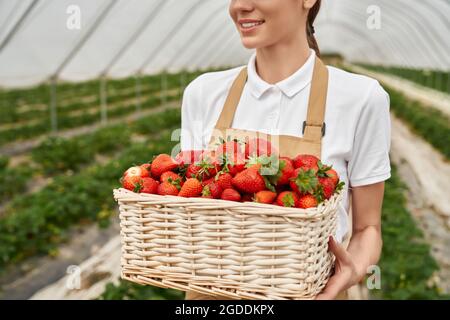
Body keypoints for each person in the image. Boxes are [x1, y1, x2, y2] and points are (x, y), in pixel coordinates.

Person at [180, 0, 391, 300]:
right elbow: (188, 210)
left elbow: (368, 227)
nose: (239, 6)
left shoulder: (362, 99)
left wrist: (353, 269)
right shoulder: (202, 93)